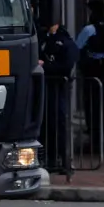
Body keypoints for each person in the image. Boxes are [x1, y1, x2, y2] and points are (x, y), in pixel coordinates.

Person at [76, 0, 104, 151]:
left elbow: (77, 47)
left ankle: (95, 140)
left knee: (93, 105)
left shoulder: (90, 29)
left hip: (94, 70)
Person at [39, 22, 79, 173]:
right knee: (48, 123)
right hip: (49, 88)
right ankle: (51, 159)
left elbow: (66, 66)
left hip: (58, 88)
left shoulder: (65, 43)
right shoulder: (46, 40)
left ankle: (63, 160)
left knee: (59, 123)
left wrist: (45, 66)